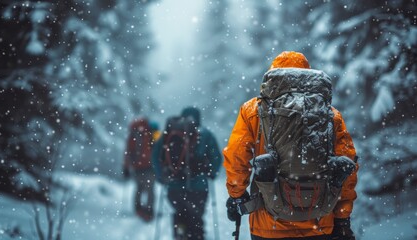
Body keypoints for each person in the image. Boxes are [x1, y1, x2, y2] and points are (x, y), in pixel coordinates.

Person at [223, 51, 359, 240]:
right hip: (319, 221)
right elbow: (347, 166)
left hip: (268, 225)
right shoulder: (330, 114)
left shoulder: (253, 110)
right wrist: (343, 217)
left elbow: (237, 157)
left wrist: (237, 195)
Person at [152, 107, 222, 240]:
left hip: (174, 187)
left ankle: (180, 233)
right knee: (196, 218)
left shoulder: (169, 133)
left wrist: (161, 176)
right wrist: (212, 172)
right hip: (198, 188)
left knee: (179, 214)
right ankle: (195, 236)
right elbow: (216, 157)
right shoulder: (205, 134)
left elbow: (155, 155)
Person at [123, 117, 161, 221]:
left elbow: (128, 151)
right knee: (150, 190)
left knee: (139, 188)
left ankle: (138, 209)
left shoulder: (133, 133)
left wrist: (126, 167)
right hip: (150, 166)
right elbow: (159, 148)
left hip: (137, 167)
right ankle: (149, 210)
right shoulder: (152, 131)